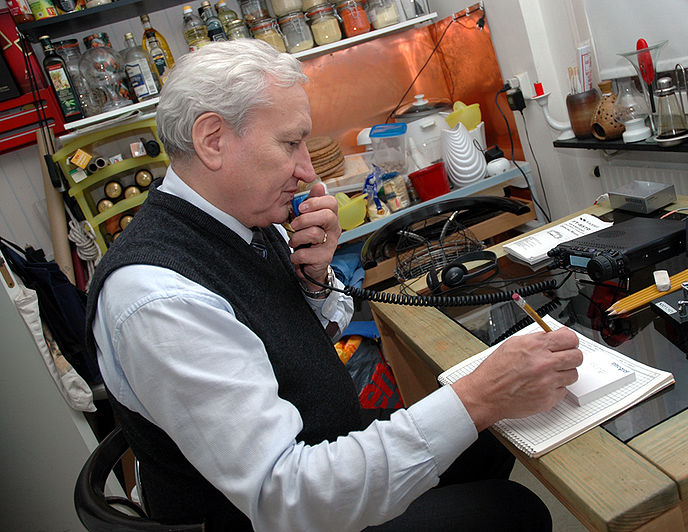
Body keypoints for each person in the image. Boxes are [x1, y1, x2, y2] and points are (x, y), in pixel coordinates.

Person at [86, 39, 583, 532]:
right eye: (289, 144)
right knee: (514, 509)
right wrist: (478, 396)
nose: (307, 170)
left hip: (322, 442)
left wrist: (315, 280)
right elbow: (286, 498)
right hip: (283, 511)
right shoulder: (159, 298)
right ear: (212, 139)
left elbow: (288, 344)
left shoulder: (243, 218)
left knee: (491, 436)